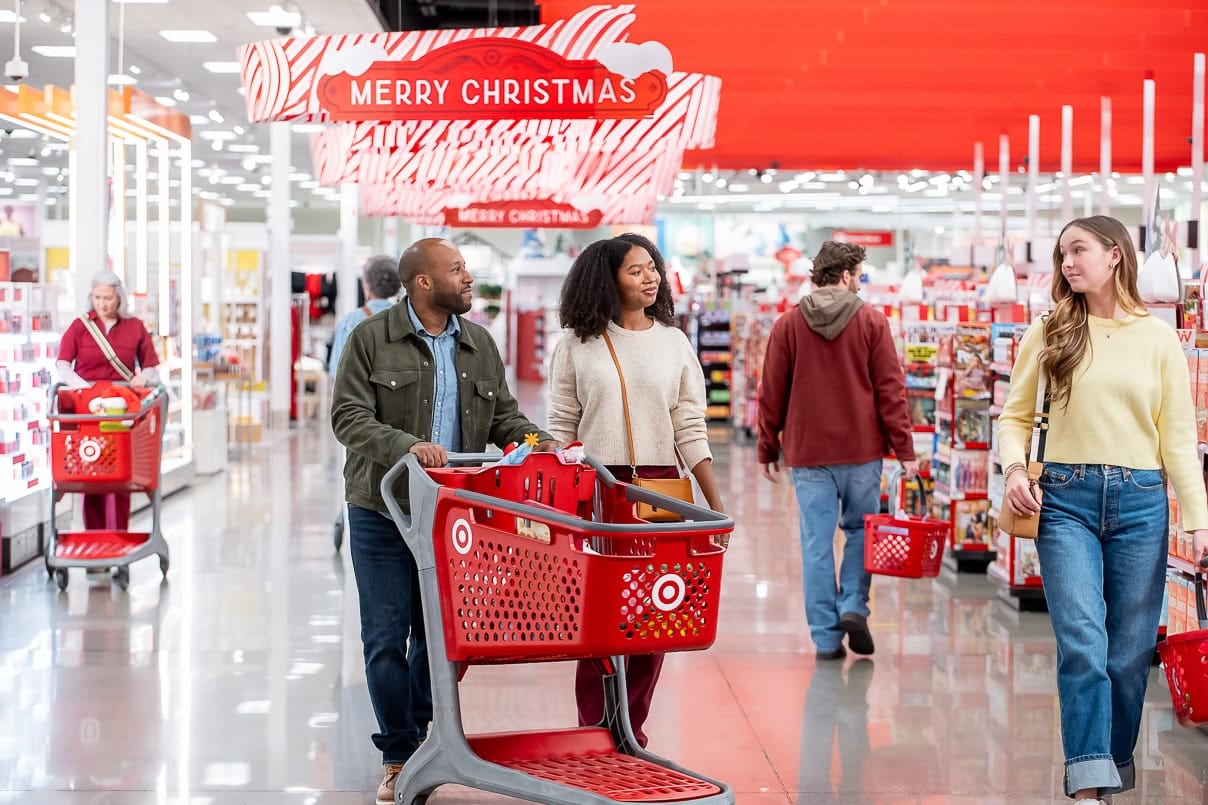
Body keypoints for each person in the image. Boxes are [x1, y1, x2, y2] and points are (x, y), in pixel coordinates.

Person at [330, 237, 558, 805]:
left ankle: (426, 735)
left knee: (440, 639)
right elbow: (348, 417)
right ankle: (398, 753)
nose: (468, 276)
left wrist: (544, 446)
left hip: (452, 515)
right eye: (457, 269)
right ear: (423, 282)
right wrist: (407, 446)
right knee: (384, 638)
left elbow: (504, 416)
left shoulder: (479, 343)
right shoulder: (370, 340)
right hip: (383, 511)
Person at [997, 215, 1208, 804]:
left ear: (1115, 255)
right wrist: (1015, 468)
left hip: (1142, 502)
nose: (1067, 262)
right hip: (1064, 500)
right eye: (1062, 252)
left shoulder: (1158, 338)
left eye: (1078, 250)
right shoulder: (1050, 330)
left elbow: (1178, 439)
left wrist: (1199, 522)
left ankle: (1111, 762)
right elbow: (1013, 417)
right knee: (1084, 642)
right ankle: (1089, 779)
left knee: (1129, 652)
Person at [547, 232, 723, 749]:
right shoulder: (577, 343)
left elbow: (689, 423)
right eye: (636, 270)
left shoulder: (673, 341)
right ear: (609, 279)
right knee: (598, 616)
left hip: (662, 487)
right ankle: (594, 729)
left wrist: (714, 504)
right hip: (598, 489)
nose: (650, 278)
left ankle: (633, 730)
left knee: (655, 613)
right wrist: (554, 500)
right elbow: (561, 424)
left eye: (653, 268)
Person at [757, 241, 918, 660]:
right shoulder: (871, 322)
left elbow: (771, 392)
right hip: (863, 451)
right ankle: (853, 605)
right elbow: (890, 392)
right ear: (846, 275)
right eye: (860, 275)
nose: (860, 283)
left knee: (816, 543)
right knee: (862, 530)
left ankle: (827, 638)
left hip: (808, 453)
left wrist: (766, 446)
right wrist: (905, 449)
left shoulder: (787, 326)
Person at [56, 270, 160, 532]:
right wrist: (84, 388)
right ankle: (95, 537)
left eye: (108, 298)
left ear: (119, 298)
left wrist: (143, 378)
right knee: (90, 472)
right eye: (97, 297)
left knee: (120, 476)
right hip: (87, 413)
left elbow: (151, 367)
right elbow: (63, 365)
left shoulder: (134, 327)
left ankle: (119, 538)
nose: (102, 304)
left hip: (122, 412)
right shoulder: (80, 326)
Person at [327, 255, 403, 550]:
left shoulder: (352, 321)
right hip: (399, 418)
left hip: (359, 415)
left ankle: (349, 515)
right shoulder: (406, 321)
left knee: (356, 466)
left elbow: (337, 373)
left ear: (366, 286)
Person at [328, 255, 402, 376]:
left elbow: (337, 370)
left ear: (367, 285)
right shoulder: (406, 318)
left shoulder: (349, 322)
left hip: (360, 392)